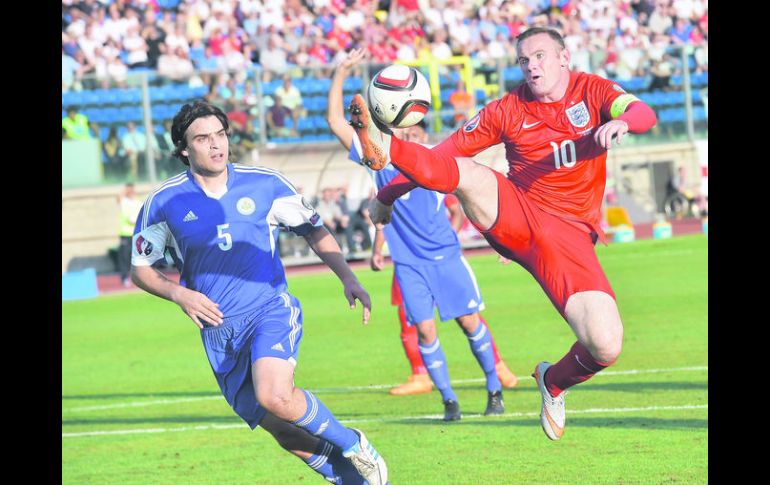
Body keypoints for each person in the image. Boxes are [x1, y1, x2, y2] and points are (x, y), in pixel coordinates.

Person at [349, 28, 657, 440]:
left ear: (564, 57)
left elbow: (643, 113)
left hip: (569, 239)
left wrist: (621, 121)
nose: (532, 66)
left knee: (606, 345)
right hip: (517, 212)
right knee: (469, 174)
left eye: (541, 56)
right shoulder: (507, 109)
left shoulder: (593, 90)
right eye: (524, 60)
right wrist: (387, 191)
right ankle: (385, 145)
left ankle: (553, 382)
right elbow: (443, 156)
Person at [130, 100, 388, 484]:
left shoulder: (265, 183)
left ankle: (354, 444)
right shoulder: (163, 202)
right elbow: (140, 270)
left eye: (221, 135)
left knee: (275, 396)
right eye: (203, 138)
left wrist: (348, 278)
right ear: (184, 148)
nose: (217, 145)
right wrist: (179, 295)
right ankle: (352, 480)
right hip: (218, 331)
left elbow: (314, 230)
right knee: (284, 431)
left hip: (268, 308)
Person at [328, 49, 518, 420]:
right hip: (409, 264)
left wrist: (501, 239)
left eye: (415, 130)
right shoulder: (378, 155)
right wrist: (341, 72)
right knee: (426, 333)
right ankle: (449, 402)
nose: (408, 132)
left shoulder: (436, 160)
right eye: (404, 128)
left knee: (469, 324)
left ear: (421, 128)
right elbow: (336, 121)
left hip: (446, 257)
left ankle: (494, 390)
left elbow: (469, 197)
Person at [117, 182, 143, 287]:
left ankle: (141, 278)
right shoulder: (124, 202)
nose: (130, 192)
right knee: (124, 257)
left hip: (137, 234)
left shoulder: (138, 203)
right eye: (128, 190)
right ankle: (124, 278)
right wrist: (125, 189)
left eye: (131, 190)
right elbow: (119, 197)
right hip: (125, 234)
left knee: (139, 257)